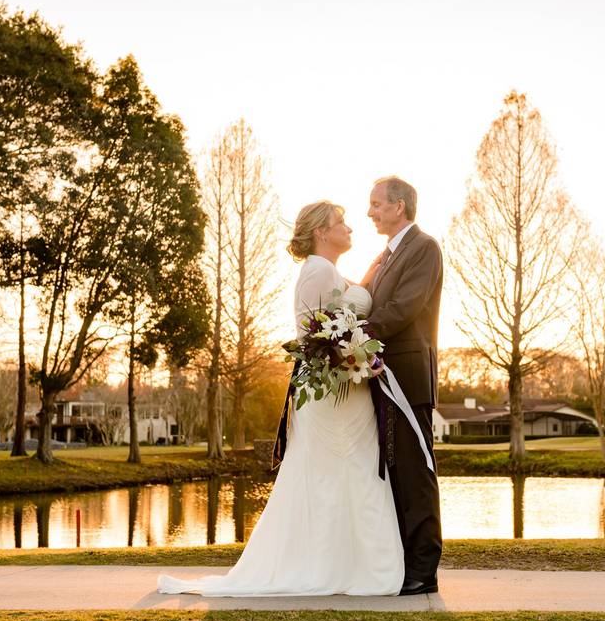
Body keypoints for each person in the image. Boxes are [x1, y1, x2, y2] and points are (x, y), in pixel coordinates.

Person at [157, 201, 404, 596]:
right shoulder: (317, 270)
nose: (349, 226)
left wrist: (360, 346)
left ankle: (349, 567)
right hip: (332, 393)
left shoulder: (330, 271)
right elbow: (314, 338)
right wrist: (358, 357)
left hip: (347, 390)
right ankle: (335, 568)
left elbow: (338, 322)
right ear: (321, 232)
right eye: (340, 222)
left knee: (349, 472)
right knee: (333, 474)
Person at [363, 176, 443, 595]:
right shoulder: (384, 255)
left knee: (415, 472)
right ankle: (400, 564)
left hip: (408, 378)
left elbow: (405, 307)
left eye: (376, 204)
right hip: (381, 376)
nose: (370, 211)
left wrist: (359, 333)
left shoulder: (424, 248)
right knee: (392, 473)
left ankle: (424, 571)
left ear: (399, 205)